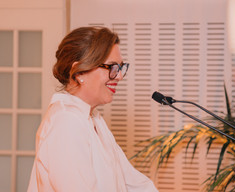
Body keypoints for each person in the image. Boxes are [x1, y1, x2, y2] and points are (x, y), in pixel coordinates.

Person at [27, 26, 158, 192]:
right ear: (79, 72)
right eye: (111, 67)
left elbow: (132, 183)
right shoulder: (66, 122)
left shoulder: (93, 118)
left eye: (121, 68)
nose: (119, 76)